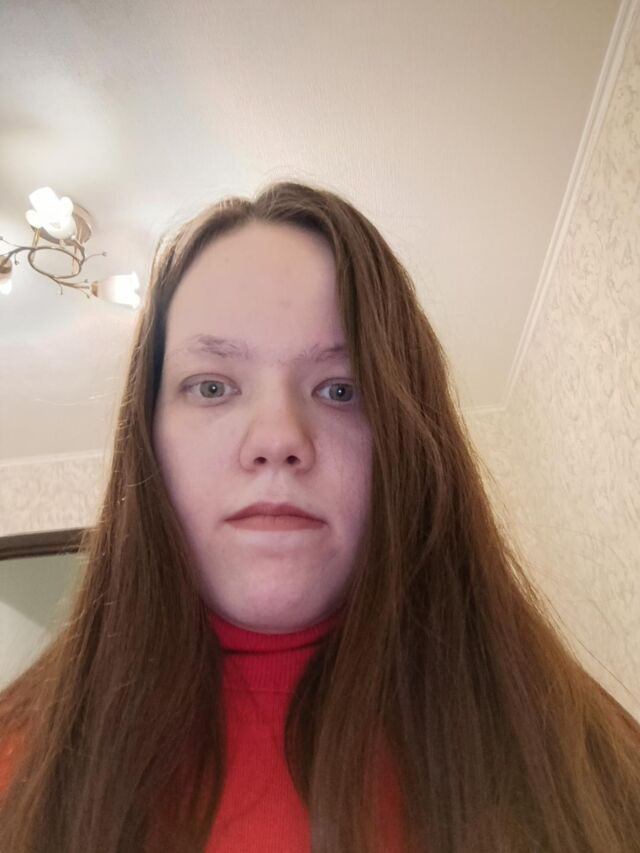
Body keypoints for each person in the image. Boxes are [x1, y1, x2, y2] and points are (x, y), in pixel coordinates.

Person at [1, 180, 639, 852]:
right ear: (147, 439)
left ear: (407, 438)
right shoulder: (20, 762)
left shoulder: (585, 756)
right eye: (212, 386)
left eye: (341, 389)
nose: (278, 438)